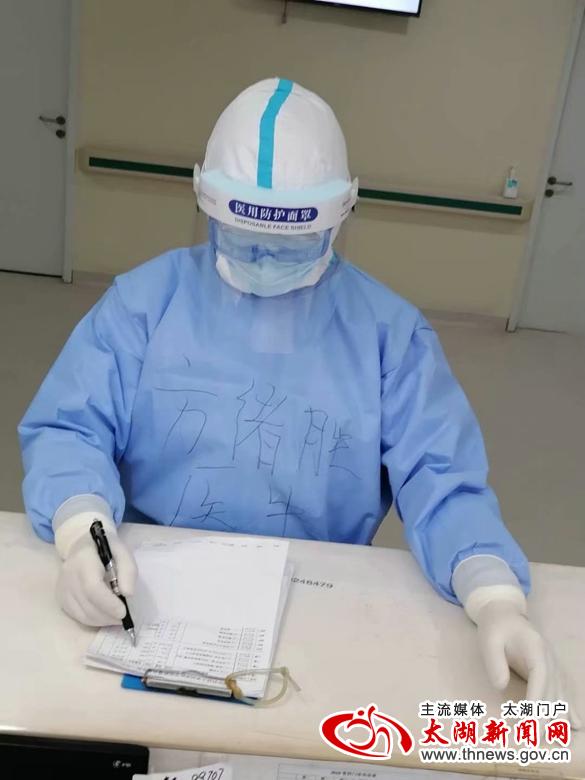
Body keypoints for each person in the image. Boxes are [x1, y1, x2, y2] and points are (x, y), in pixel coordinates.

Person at [19, 78, 577, 719]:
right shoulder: (145, 304)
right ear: (206, 205)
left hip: (315, 595)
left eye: (290, 243)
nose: (264, 260)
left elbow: (440, 477)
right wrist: (82, 533)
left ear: (341, 214)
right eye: (243, 237)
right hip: (144, 586)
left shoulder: (387, 335)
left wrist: (494, 596)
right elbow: (71, 427)